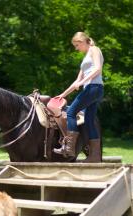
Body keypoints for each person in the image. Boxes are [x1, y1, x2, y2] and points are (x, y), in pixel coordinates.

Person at [53, 32, 104, 162]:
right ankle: (95, 156)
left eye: (77, 45)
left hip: (94, 87)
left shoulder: (94, 49)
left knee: (70, 112)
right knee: (89, 120)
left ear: (82, 41)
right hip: (91, 88)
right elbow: (77, 81)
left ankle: (69, 147)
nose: (76, 48)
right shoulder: (85, 57)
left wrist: (83, 82)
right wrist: (63, 94)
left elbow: (98, 69)